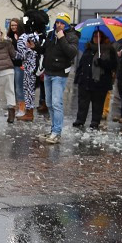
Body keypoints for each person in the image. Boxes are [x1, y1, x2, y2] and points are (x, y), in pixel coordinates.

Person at [37, 12, 79, 144]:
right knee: (49, 103)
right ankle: (53, 129)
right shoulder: (51, 34)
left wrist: (62, 39)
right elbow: (45, 50)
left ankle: (57, 132)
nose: (58, 25)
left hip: (59, 74)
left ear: (66, 25)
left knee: (56, 103)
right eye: (57, 22)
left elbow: (72, 53)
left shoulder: (72, 36)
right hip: (48, 72)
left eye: (62, 23)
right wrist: (35, 47)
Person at [73, 29, 117, 129]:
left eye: (98, 37)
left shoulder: (108, 50)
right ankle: (80, 119)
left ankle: (95, 121)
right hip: (85, 80)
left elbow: (113, 65)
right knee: (83, 102)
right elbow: (82, 63)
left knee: (98, 103)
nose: (96, 39)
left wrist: (102, 63)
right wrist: (78, 77)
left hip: (100, 82)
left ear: (102, 38)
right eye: (95, 37)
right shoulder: (88, 49)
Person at [18, 10, 47, 122]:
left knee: (28, 89)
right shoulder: (41, 35)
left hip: (30, 66)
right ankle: (30, 111)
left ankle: (29, 113)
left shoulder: (26, 36)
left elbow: (21, 54)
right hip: (38, 66)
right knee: (30, 89)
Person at [6, 18, 25, 113]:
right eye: (12, 25)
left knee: (19, 88)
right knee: (10, 88)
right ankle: (12, 109)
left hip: (19, 65)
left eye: (15, 25)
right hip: (10, 65)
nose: (13, 27)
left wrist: (17, 41)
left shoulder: (22, 37)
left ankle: (21, 108)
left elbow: (23, 52)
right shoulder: (9, 36)